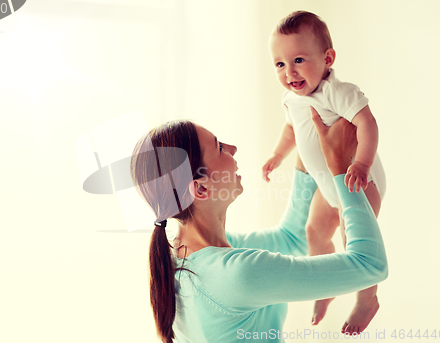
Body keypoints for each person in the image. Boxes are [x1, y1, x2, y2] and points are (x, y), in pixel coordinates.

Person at [130, 111, 387, 343]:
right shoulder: (238, 274)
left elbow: (291, 238)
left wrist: (308, 142)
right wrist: (341, 168)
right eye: (219, 147)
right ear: (201, 188)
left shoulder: (187, 256)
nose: (232, 148)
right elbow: (369, 265)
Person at [261, 11, 386, 334]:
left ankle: (367, 299)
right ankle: (326, 287)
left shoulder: (337, 91)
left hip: (358, 181)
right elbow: (292, 130)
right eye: (279, 64)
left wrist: (361, 163)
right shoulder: (291, 97)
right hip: (326, 186)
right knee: (313, 232)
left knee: (354, 240)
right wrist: (277, 155)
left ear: (327, 58)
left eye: (298, 60)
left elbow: (367, 123)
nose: (289, 72)